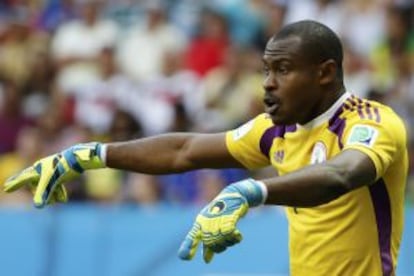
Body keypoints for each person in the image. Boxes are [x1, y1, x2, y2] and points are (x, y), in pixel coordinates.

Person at [3, 20, 407, 275]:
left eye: (283, 70)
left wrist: (252, 190)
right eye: (266, 70)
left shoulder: (370, 122)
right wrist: (90, 155)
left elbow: (342, 174)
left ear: (326, 73)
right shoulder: (275, 130)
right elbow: (184, 151)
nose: (267, 82)